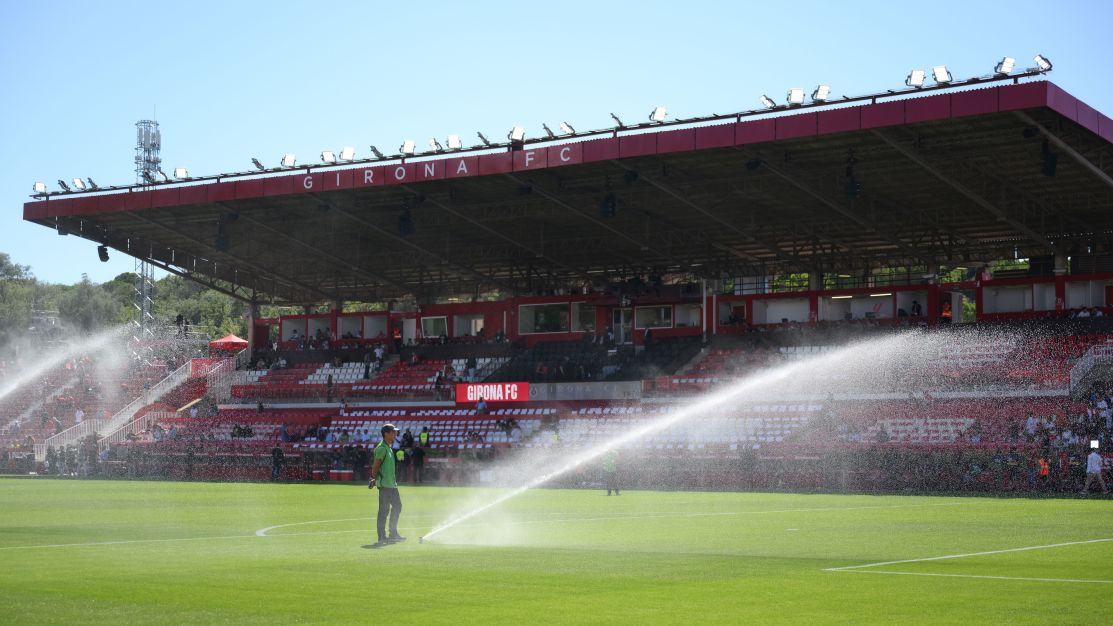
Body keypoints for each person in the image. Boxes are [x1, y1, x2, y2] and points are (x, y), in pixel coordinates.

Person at [369, 424, 405, 546]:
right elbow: (376, 465)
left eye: (395, 432)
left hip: (392, 484)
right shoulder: (382, 448)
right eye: (393, 432)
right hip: (385, 485)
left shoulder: (388, 448)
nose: (395, 434)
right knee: (384, 511)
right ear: (386, 434)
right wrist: (373, 478)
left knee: (397, 507)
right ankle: (382, 537)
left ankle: (393, 533)